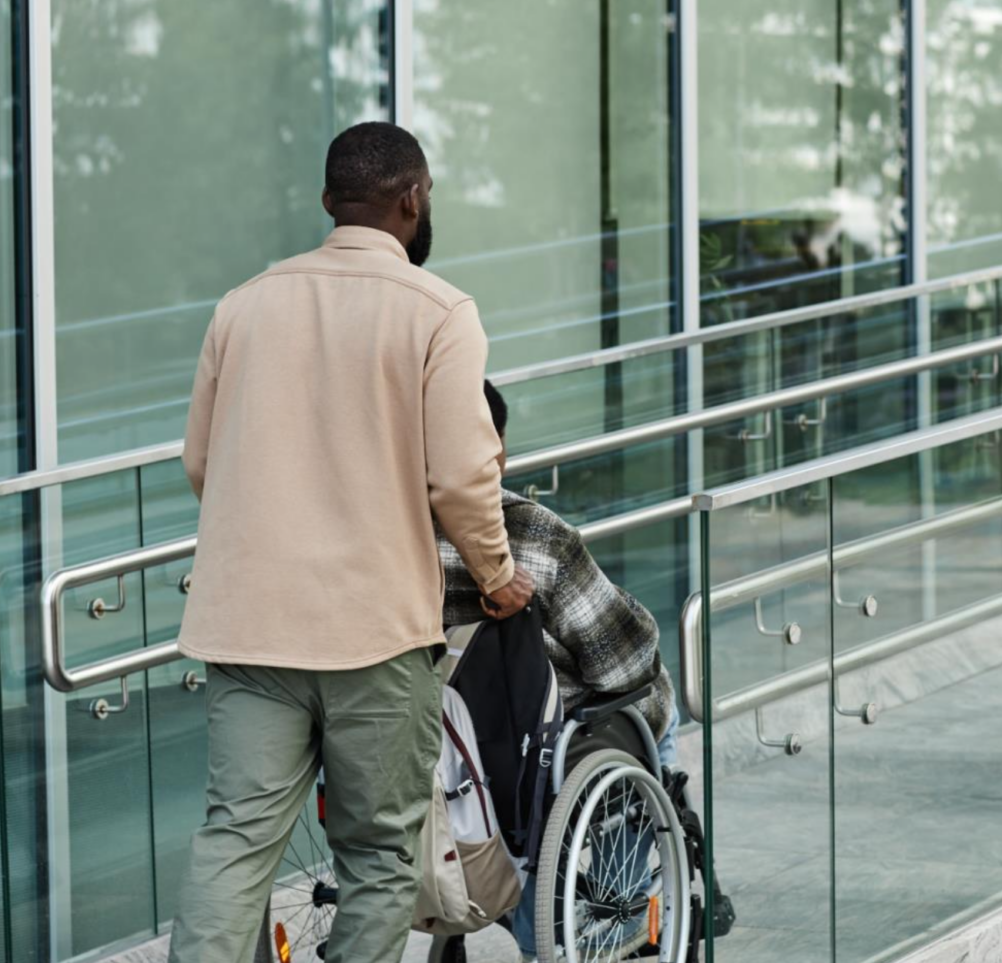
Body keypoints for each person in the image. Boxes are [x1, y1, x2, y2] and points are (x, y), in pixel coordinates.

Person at [168, 123, 534, 963]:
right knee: (377, 856)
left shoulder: (244, 304)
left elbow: (202, 461)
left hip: (250, 626)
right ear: (413, 200)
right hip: (374, 633)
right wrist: (497, 574)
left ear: (330, 203)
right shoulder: (439, 311)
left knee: (233, 842)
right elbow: (460, 478)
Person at [438, 381, 678, 963]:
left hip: (424, 738)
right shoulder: (533, 537)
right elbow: (623, 659)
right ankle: (609, 910)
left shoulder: (382, 540)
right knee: (657, 719)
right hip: (527, 750)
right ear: (495, 451)